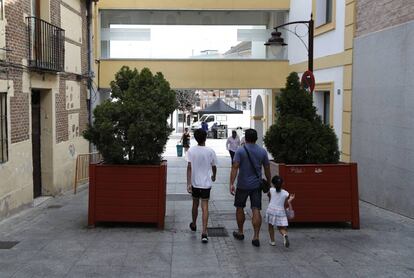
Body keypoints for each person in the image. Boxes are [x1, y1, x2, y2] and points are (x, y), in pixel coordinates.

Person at [229, 129, 271, 247]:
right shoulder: (262, 152)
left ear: (245, 138)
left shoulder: (240, 151)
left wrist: (231, 183)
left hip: (242, 185)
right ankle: (256, 236)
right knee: (256, 209)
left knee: (239, 208)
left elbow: (235, 167)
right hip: (256, 185)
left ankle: (241, 232)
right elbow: (267, 168)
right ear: (256, 138)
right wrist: (268, 182)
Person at [187, 128, 218, 243]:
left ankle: (194, 224)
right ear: (206, 138)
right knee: (205, 206)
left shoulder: (191, 151)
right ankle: (204, 232)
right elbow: (214, 166)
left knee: (195, 204)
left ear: (195, 138)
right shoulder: (210, 151)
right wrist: (214, 176)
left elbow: (189, 167)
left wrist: (188, 183)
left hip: (195, 183)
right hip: (206, 184)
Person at [266, 175, 295, 248]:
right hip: (280, 211)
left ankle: (272, 241)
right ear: (283, 184)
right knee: (281, 227)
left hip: (271, 209)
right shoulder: (286, 193)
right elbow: (285, 203)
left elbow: (269, 195)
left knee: (270, 226)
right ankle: (284, 235)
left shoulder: (271, 190)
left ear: (273, 184)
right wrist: (290, 200)